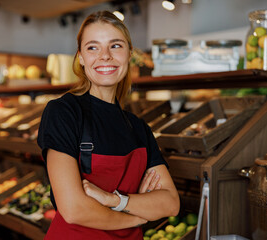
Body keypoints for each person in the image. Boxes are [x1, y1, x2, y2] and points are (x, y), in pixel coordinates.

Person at [37, 10, 180, 240]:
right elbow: (74, 209)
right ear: (81, 58)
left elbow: (170, 204)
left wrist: (114, 200)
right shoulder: (64, 112)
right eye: (93, 47)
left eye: (115, 46)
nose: (105, 56)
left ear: (129, 55)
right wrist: (137, 217)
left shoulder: (138, 127)